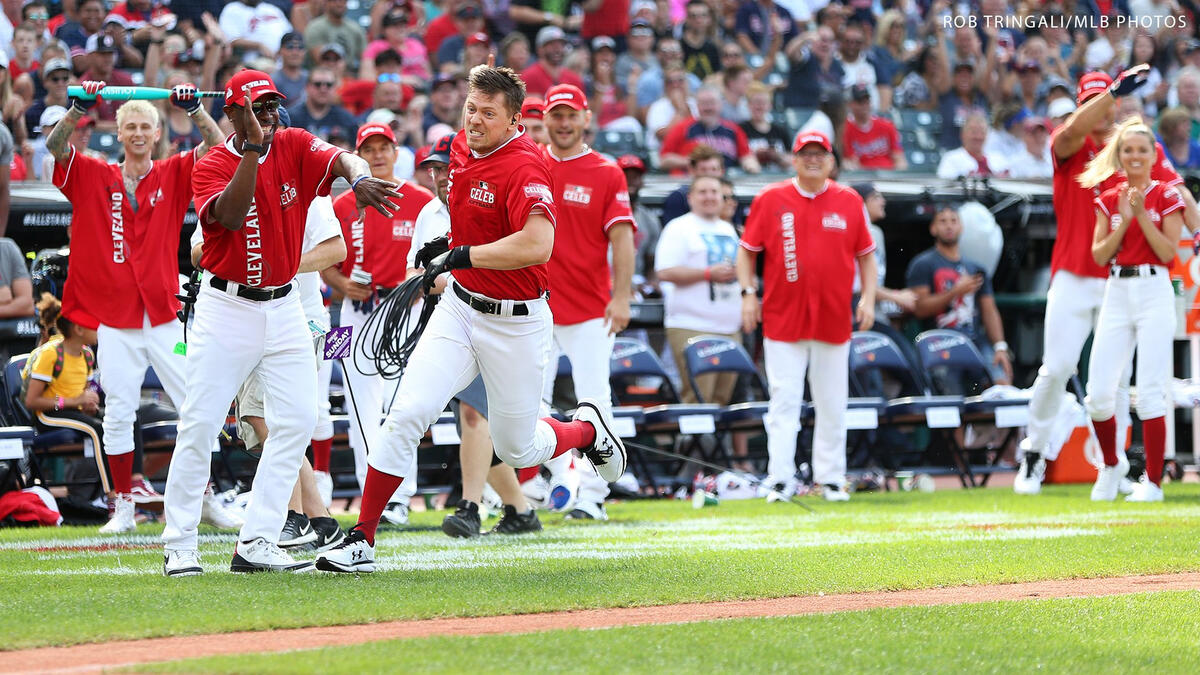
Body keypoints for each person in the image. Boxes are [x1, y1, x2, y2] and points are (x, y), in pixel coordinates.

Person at [316, 64, 628, 573]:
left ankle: (586, 433)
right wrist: (448, 248)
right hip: (461, 309)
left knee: (518, 446)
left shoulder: (527, 165)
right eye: (471, 108)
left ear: (514, 122)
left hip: (517, 320)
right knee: (405, 415)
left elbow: (538, 243)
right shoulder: (461, 148)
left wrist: (463, 254)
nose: (476, 120)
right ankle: (363, 539)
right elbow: (468, 214)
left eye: (488, 113)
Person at [160, 70, 401, 577]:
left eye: (271, 105)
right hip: (228, 308)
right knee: (199, 424)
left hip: (288, 306)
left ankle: (259, 539)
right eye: (255, 107)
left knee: (296, 421)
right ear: (231, 115)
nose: (267, 116)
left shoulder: (292, 142)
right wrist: (250, 150)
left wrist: (357, 177)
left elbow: (339, 156)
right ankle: (179, 543)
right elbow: (228, 214)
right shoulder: (213, 162)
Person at [46, 81, 225, 535]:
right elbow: (55, 146)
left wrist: (197, 109)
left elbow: (218, 147)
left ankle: (206, 498)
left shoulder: (174, 171)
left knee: (195, 406)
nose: (139, 133)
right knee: (120, 411)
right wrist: (76, 110)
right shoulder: (95, 174)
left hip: (164, 314)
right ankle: (122, 507)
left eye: (147, 126)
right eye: (131, 127)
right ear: (120, 133)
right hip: (117, 320)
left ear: (159, 131)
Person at [1016, 68, 1188, 497]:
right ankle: (1034, 452)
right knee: (1056, 368)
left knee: (1117, 381)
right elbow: (1073, 128)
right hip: (1074, 274)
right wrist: (1111, 92)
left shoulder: (1131, 148)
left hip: (1120, 281)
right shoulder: (1070, 142)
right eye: (1093, 101)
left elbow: (1175, 188)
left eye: (1107, 102)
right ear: (1084, 104)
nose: (1103, 110)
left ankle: (1116, 466)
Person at [409, 133, 543, 537]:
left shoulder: (488, 202)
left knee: (475, 417)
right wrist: (444, 276)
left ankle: (469, 507)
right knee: (477, 424)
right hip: (447, 325)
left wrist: (452, 269)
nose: (440, 175)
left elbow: (512, 258)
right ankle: (519, 510)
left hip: (494, 320)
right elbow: (414, 277)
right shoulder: (429, 215)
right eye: (434, 168)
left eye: (447, 167)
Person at [737, 130, 877, 502]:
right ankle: (780, 478)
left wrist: (869, 299)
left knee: (833, 402)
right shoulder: (771, 198)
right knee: (784, 400)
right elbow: (747, 251)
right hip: (783, 316)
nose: (813, 159)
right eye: (805, 153)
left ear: (831, 160)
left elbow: (866, 255)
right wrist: (748, 294)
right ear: (794, 159)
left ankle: (831, 478)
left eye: (820, 154)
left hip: (833, 317)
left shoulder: (849, 201)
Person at [324, 122, 434, 523]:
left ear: (395, 149)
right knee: (360, 411)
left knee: (402, 408)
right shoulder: (342, 204)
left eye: (383, 146)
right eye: (368, 148)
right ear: (359, 155)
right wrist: (340, 283)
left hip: (405, 308)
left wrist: (418, 281)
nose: (377, 154)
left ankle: (401, 498)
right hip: (353, 312)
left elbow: (438, 258)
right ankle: (375, 499)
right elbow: (326, 265)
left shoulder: (421, 201)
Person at [541, 84, 636, 520]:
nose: (563, 123)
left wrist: (621, 297)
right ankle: (558, 481)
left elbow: (622, 237)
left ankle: (594, 496)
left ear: (586, 118)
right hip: (535, 306)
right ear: (544, 118)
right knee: (530, 403)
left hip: (591, 309)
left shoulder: (606, 170)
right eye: (556, 115)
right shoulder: (531, 161)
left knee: (595, 400)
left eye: (570, 115)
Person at [1080, 117, 1182, 503]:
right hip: (1117, 289)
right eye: (1128, 149)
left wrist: (1139, 214)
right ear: (1119, 156)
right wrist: (1125, 218)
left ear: (1154, 154)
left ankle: (1153, 483)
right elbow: (1100, 253)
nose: (1135, 155)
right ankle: (1111, 464)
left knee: (1152, 390)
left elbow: (1169, 252)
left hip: (1155, 288)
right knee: (1099, 393)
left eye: (1142, 149)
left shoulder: (1166, 194)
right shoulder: (1108, 199)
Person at [655, 175, 741, 404]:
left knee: (724, 402)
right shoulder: (679, 227)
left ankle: (711, 441)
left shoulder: (728, 229)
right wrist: (707, 274)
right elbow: (664, 271)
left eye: (714, 192)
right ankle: (691, 440)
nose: (709, 197)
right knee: (698, 400)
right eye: (703, 192)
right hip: (691, 326)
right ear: (690, 198)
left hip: (730, 326)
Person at [906, 205, 1013, 385]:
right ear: (933, 228)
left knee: (1002, 381)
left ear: (962, 227)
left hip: (974, 339)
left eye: (954, 221)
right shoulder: (923, 264)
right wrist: (955, 291)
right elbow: (919, 308)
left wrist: (1000, 346)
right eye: (943, 221)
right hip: (940, 342)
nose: (949, 226)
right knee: (949, 398)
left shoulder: (976, 268)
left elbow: (989, 310)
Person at [842, 84, 906, 171]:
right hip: (864, 177)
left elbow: (899, 158)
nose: (864, 105)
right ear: (850, 104)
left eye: (867, 100)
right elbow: (853, 163)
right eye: (860, 101)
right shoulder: (846, 129)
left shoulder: (886, 125)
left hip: (889, 176)